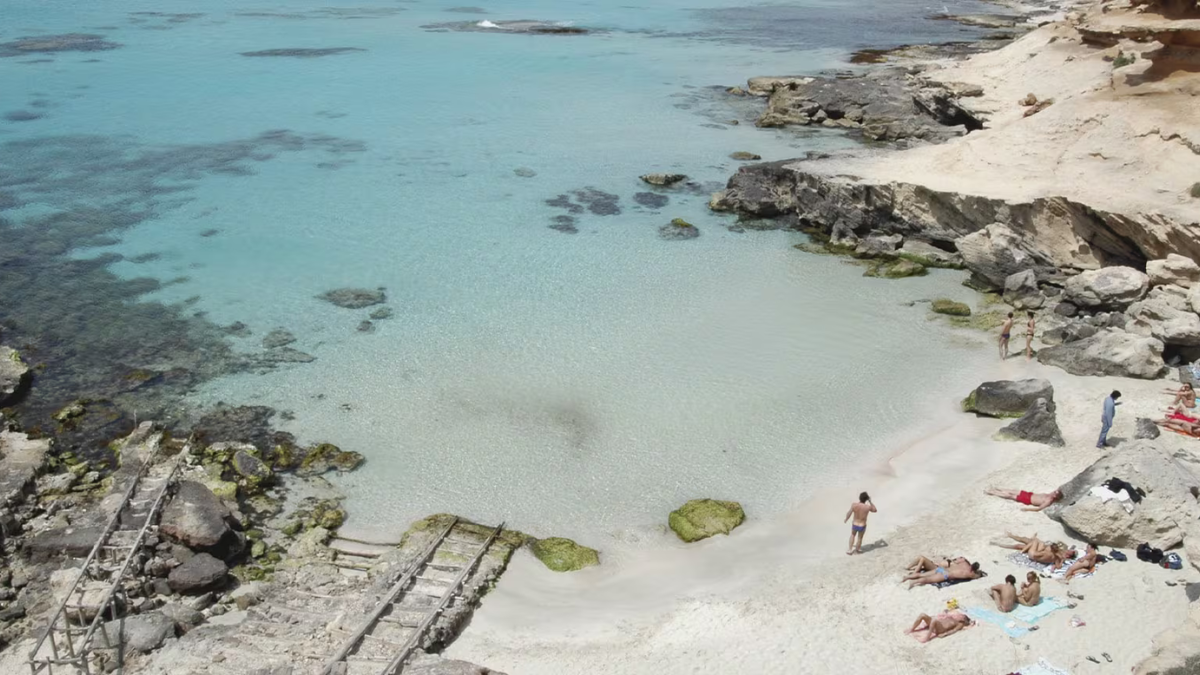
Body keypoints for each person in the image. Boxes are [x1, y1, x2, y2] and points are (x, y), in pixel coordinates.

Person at [907, 558, 983, 588]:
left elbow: (959, 560)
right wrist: (978, 574)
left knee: (922, 575)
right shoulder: (970, 573)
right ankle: (913, 582)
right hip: (946, 575)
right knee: (928, 579)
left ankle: (907, 577)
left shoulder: (964, 562)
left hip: (941, 569)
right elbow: (977, 576)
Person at [906, 611, 973, 643]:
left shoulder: (960, 623)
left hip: (940, 629)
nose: (960, 616)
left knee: (934, 621)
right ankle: (912, 629)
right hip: (937, 624)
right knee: (922, 615)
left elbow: (954, 630)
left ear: (963, 619)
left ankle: (927, 638)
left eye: (962, 616)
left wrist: (945, 634)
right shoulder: (952, 617)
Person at [844, 491, 876, 555]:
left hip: (855, 524)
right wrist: (870, 501)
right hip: (862, 525)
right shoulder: (867, 507)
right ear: (866, 499)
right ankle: (858, 549)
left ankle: (850, 550)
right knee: (860, 538)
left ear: (859, 498)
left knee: (852, 535)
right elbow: (875, 510)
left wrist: (846, 519)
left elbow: (849, 513)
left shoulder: (854, 505)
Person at [985, 487, 1062, 512]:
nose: (1053, 492)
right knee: (1012, 491)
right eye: (1055, 491)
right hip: (1030, 494)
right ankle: (998, 489)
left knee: (1010, 496)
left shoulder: (1048, 501)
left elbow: (1039, 509)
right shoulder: (1049, 495)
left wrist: (1027, 509)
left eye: (1055, 493)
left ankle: (992, 493)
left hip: (1028, 500)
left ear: (1055, 496)